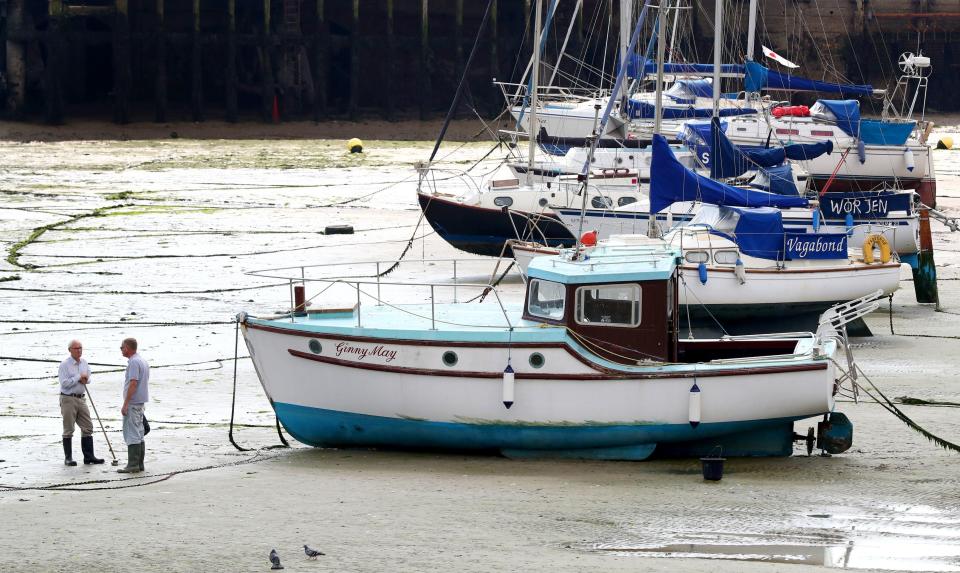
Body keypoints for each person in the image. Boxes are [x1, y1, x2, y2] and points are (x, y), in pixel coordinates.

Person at [58, 340, 104, 465]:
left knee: (88, 426)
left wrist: (85, 378)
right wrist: (78, 377)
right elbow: (64, 383)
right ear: (70, 350)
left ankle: (89, 457)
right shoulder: (64, 365)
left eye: (80, 348)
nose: (79, 350)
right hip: (68, 398)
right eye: (76, 348)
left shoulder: (84, 362)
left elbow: (88, 378)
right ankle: (68, 458)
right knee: (69, 428)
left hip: (81, 397)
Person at [118, 337, 149, 474]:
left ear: (128, 348)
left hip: (134, 402)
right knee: (139, 432)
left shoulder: (134, 362)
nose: (121, 350)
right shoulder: (142, 360)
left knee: (132, 433)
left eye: (122, 347)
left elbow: (133, 383)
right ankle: (139, 464)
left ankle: (133, 464)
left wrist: (126, 404)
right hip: (140, 402)